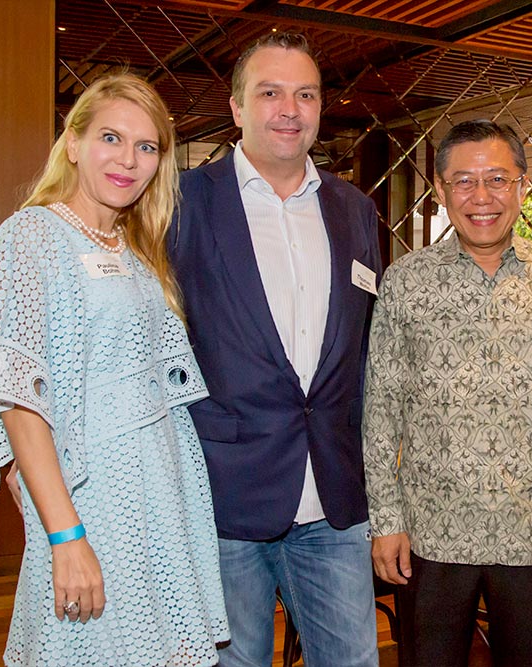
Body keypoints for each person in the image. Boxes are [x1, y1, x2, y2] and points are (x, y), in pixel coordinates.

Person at [0, 73, 228, 665]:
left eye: (146, 146)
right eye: (110, 138)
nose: (129, 160)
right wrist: (66, 534)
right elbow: (21, 400)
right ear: (72, 143)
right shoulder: (31, 237)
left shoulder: (135, 247)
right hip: (92, 495)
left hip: (158, 489)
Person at [169, 32, 381, 666]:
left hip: (335, 500)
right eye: (270, 93)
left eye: (305, 95)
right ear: (236, 107)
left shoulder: (354, 209)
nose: (289, 110)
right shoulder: (180, 202)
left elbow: (363, 349)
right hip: (225, 497)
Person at [363, 119, 532, 666]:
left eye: (497, 179)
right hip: (431, 529)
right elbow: (381, 410)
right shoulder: (406, 281)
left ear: (522, 186)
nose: (482, 197)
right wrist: (387, 520)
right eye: (464, 181)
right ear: (441, 190)